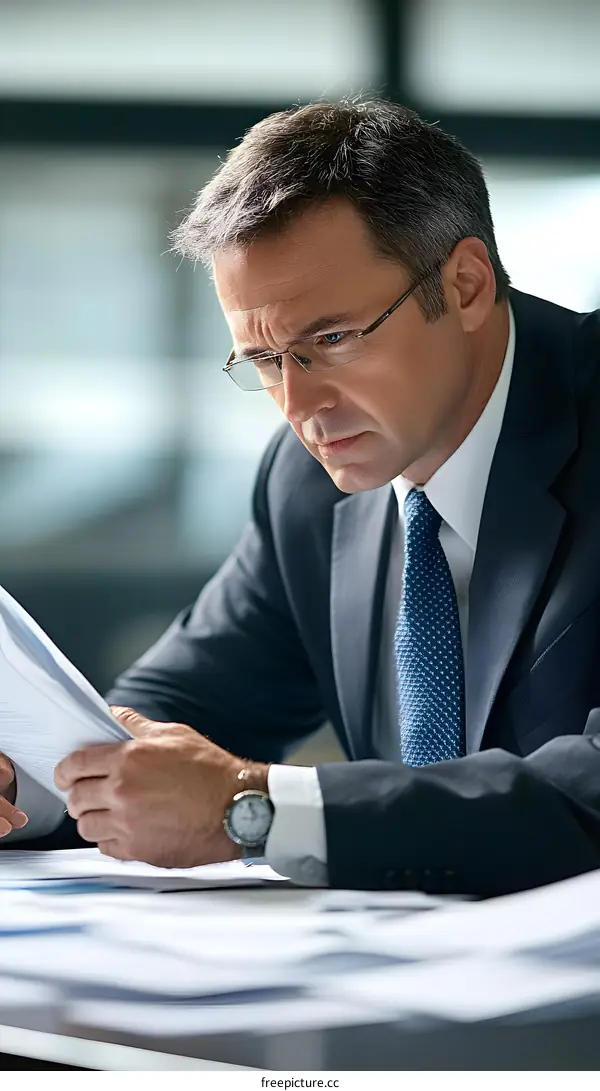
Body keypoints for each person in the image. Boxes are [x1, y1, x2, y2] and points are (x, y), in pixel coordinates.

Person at [2, 99, 600, 896]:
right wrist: (32, 782)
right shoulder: (305, 485)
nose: (299, 406)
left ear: (465, 285)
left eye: (332, 339)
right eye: (263, 359)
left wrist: (254, 809)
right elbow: (173, 709)